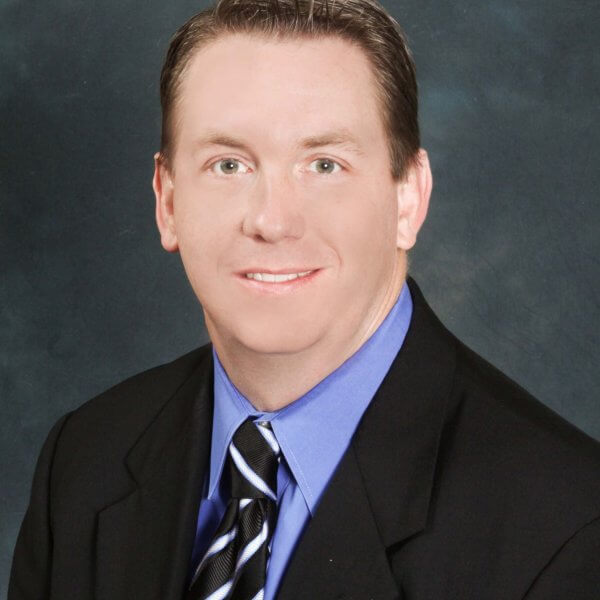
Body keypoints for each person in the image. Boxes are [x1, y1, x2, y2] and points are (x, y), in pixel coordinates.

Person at [9, 1, 600, 598]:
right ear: (167, 201)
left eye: (324, 164)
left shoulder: (569, 529)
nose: (272, 221)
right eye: (229, 164)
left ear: (408, 199)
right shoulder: (84, 460)